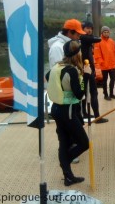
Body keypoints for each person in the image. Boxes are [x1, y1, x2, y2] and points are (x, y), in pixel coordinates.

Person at [46, 40, 91, 186]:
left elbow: (47, 76)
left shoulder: (57, 66)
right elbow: (79, 94)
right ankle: (65, 162)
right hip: (68, 111)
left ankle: (68, 177)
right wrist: (86, 76)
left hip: (56, 109)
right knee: (84, 143)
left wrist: (62, 86)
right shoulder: (71, 70)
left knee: (64, 142)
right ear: (77, 53)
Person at [47, 18, 85, 163]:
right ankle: (68, 154)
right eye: (77, 34)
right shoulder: (58, 47)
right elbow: (59, 71)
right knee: (66, 127)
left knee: (74, 123)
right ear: (70, 32)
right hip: (65, 97)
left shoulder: (68, 44)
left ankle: (69, 152)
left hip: (72, 95)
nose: (79, 37)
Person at [80, 21, 108, 124]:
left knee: (87, 93)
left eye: (91, 28)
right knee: (92, 93)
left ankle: (85, 113)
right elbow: (98, 39)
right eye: (87, 28)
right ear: (82, 29)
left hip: (88, 69)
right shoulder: (83, 37)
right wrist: (92, 36)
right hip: (85, 71)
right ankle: (96, 117)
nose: (90, 30)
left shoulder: (84, 38)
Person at [94, 26, 115, 100]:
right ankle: (105, 94)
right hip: (104, 65)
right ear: (102, 33)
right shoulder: (98, 42)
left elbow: (114, 52)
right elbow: (97, 54)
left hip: (112, 64)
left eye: (107, 32)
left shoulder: (112, 41)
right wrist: (102, 62)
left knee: (113, 79)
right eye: (105, 32)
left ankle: (111, 93)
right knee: (105, 80)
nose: (106, 33)